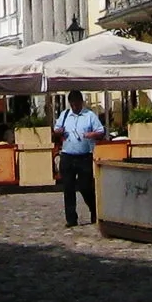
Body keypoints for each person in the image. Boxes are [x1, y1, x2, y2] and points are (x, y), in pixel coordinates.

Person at [53, 90, 106, 228]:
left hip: (84, 156)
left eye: (77, 104)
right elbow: (57, 129)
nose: (75, 106)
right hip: (67, 155)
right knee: (68, 188)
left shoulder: (89, 115)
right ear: (70, 103)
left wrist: (91, 134)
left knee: (85, 186)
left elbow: (101, 131)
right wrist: (59, 132)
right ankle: (71, 218)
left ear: (81, 102)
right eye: (73, 104)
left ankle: (94, 209)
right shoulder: (65, 115)